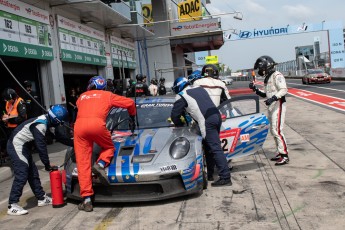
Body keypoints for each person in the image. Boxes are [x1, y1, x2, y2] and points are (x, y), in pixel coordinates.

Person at [74, 76, 136, 212]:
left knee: (83, 162)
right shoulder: (107, 95)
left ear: (90, 85)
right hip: (97, 125)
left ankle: (87, 200)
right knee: (108, 147)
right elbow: (130, 103)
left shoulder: (81, 97)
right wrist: (132, 116)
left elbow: (81, 108)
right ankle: (101, 164)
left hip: (79, 127)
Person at [6, 105, 72, 215]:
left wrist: (74, 143)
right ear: (56, 120)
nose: (61, 124)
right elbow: (41, 147)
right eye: (60, 122)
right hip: (16, 144)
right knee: (22, 173)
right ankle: (12, 205)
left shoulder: (46, 120)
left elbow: (59, 137)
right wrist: (47, 164)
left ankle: (41, 198)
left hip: (23, 145)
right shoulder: (40, 125)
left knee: (33, 173)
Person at [171, 77, 231, 187]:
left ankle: (225, 177)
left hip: (207, 121)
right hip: (216, 116)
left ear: (178, 87)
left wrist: (180, 125)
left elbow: (175, 116)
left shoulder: (181, 95)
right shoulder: (200, 88)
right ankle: (210, 174)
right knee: (209, 148)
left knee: (215, 148)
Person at [249, 55, 289, 166]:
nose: (260, 71)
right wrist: (255, 90)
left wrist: (273, 98)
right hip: (272, 105)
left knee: (278, 131)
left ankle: (284, 155)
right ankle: (279, 152)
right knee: (273, 130)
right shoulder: (268, 77)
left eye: (261, 68)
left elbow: (284, 90)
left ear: (267, 66)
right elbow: (266, 94)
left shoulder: (277, 75)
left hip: (278, 104)